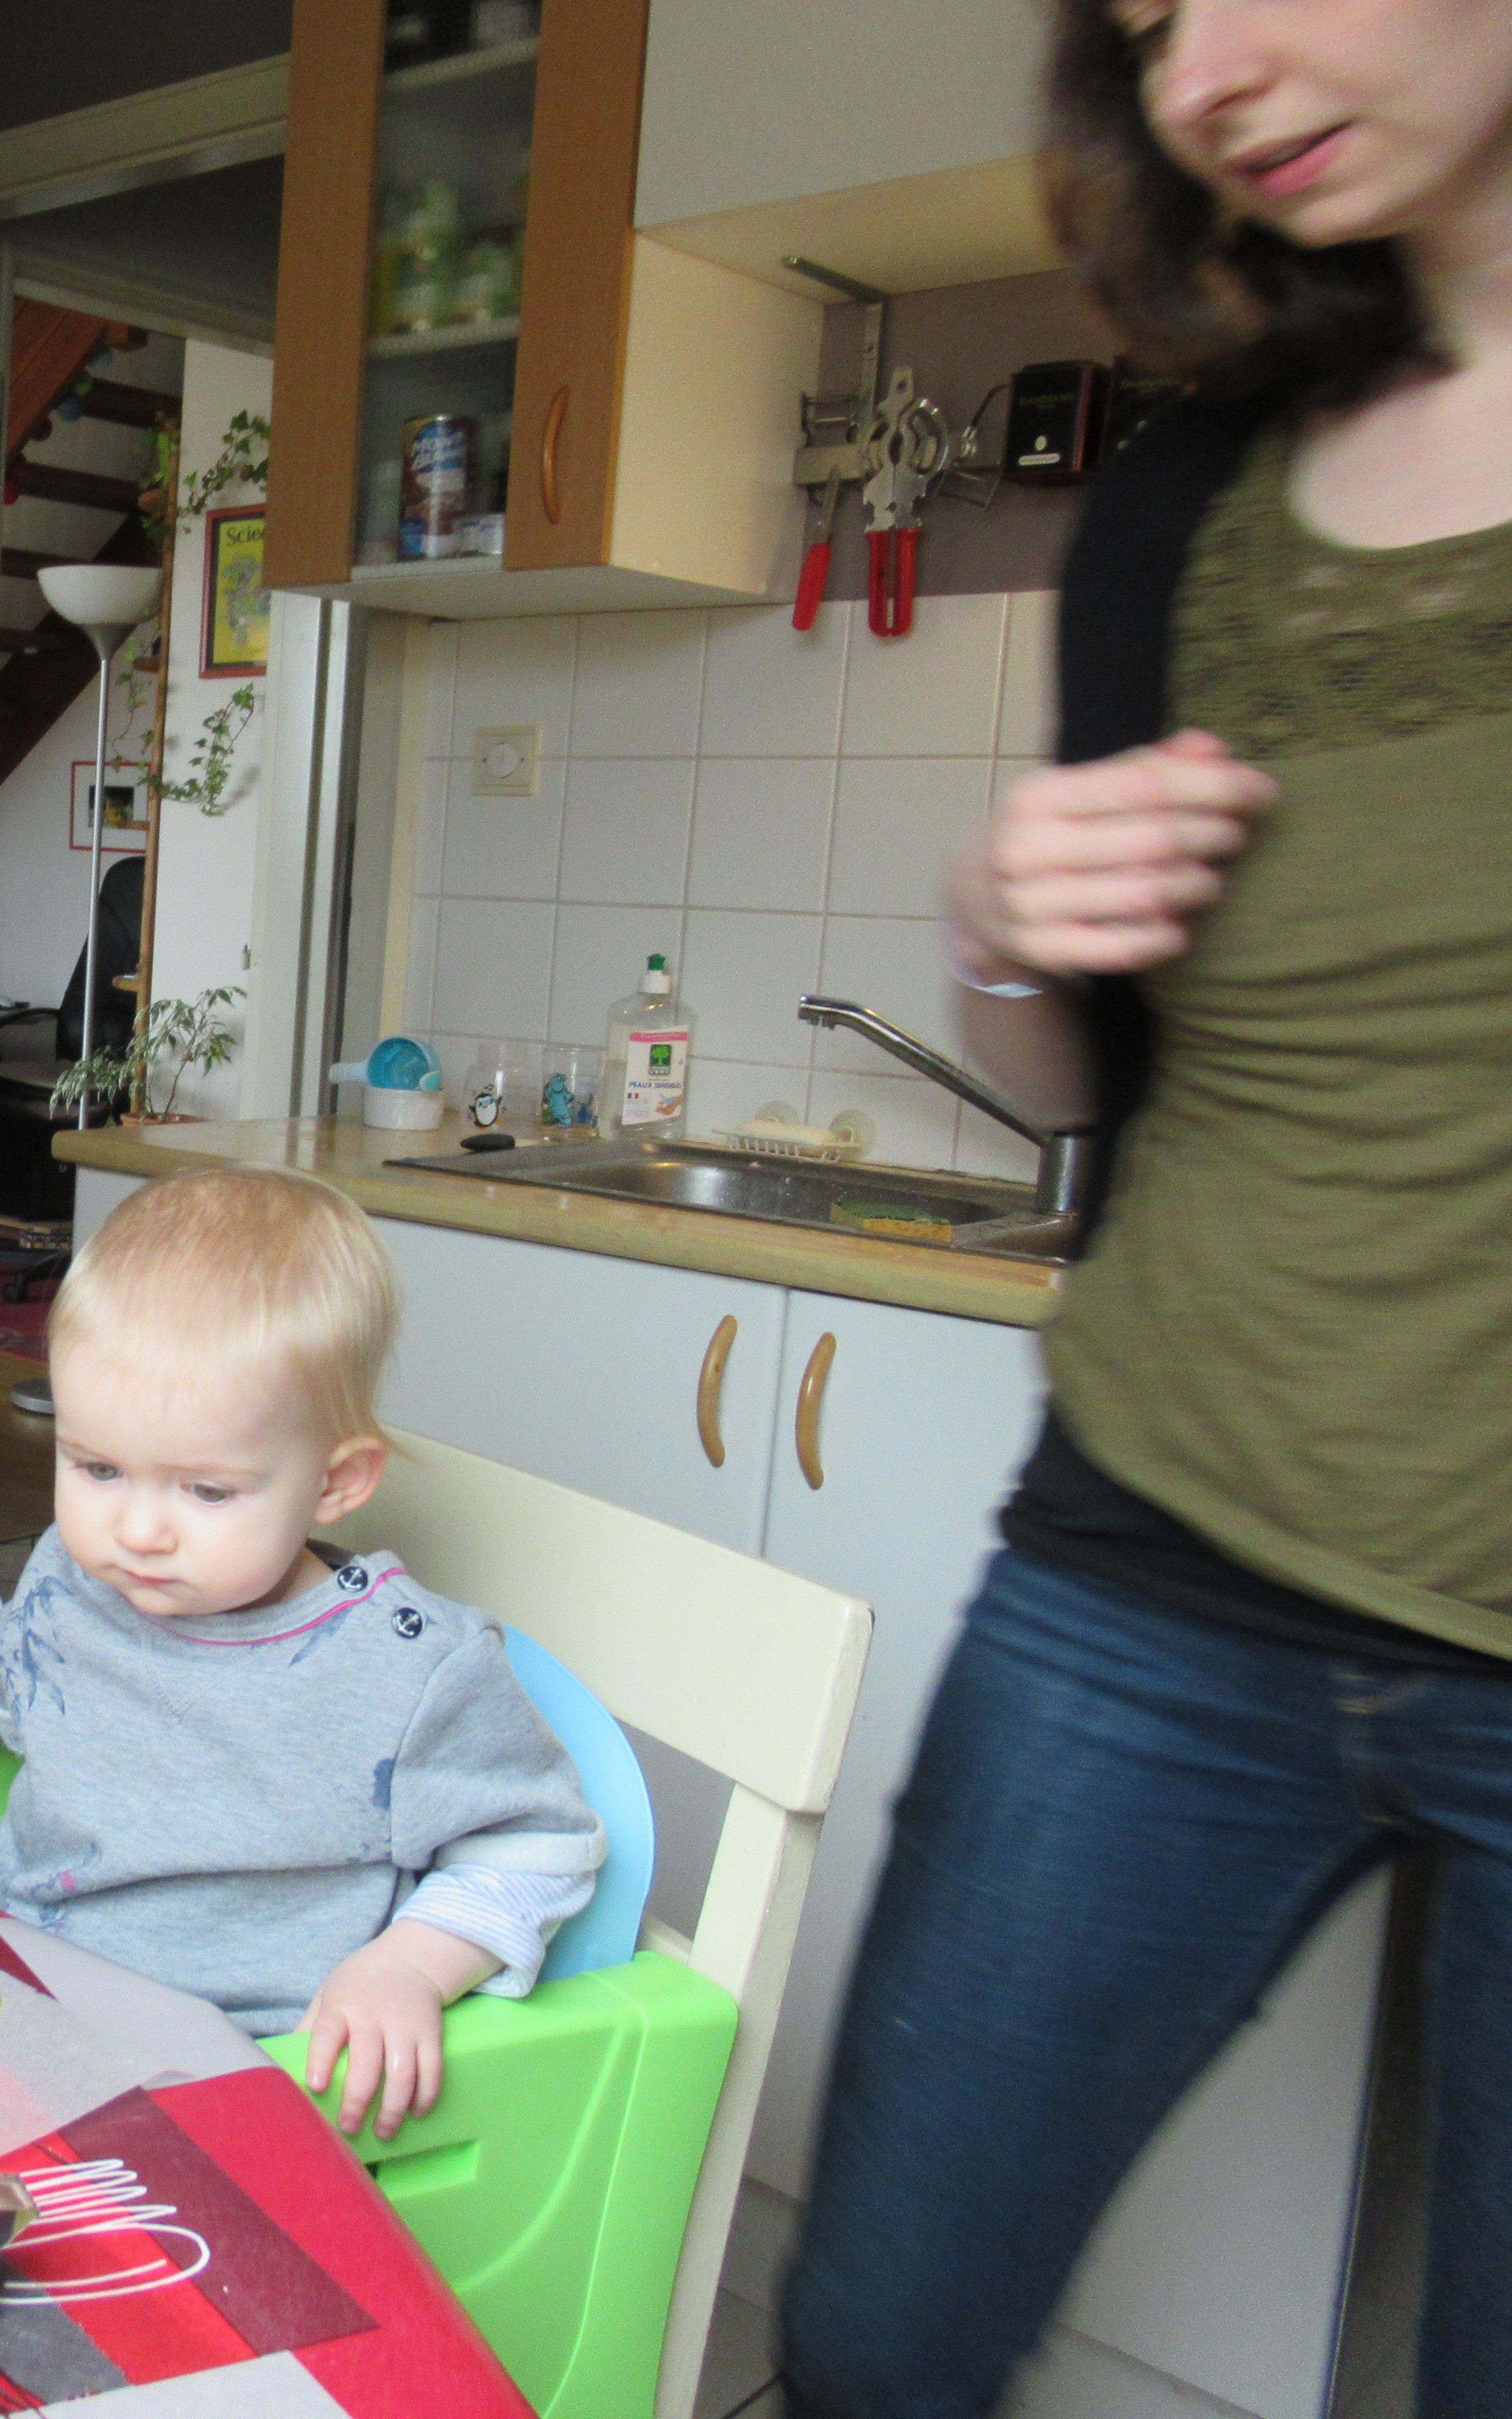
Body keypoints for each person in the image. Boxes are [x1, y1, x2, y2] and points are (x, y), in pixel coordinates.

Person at [778, 3, 1512, 2412]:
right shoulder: (1190, 493)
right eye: (1144, 19)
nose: (1201, 74)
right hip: (1154, 1563)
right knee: (879, 2337)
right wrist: (1005, 931)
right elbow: (1098, 1081)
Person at [0, 1166, 604, 2142]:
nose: (138, 1531)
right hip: (34, 2011)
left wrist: (410, 1966)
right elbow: (12, 1689)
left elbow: (537, 1845)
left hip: (253, 2069)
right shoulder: (79, 1578)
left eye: (206, 1492)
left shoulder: (407, 1668)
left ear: (335, 1483)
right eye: (98, 1467)